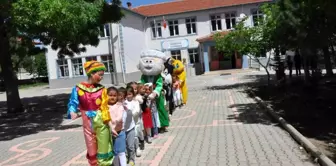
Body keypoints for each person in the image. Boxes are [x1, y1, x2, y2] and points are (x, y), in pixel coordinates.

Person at [67, 60, 114, 166]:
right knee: (92, 151)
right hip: (87, 125)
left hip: (101, 124)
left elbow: (105, 108)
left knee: (104, 150)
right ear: (92, 74)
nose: (102, 77)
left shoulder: (102, 90)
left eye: (102, 75)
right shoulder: (78, 88)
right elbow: (73, 102)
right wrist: (72, 111)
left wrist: (109, 124)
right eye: (100, 75)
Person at [138, 49, 169, 133]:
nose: (148, 63)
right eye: (146, 61)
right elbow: (141, 83)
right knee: (148, 110)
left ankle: (163, 125)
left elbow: (159, 85)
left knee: (160, 108)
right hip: (147, 94)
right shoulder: (143, 75)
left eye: (151, 61)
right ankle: (151, 126)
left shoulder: (158, 75)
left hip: (157, 95)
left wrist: (155, 92)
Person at [107, 87, 127, 166]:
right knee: (114, 152)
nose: (112, 97)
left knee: (121, 151)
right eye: (110, 95)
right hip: (109, 133)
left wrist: (112, 123)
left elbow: (119, 117)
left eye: (114, 95)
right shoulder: (105, 107)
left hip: (120, 132)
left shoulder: (119, 105)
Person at [119, 87, 136, 166]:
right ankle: (125, 158)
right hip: (121, 130)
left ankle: (132, 160)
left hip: (130, 128)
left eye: (122, 95)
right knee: (124, 147)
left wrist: (124, 107)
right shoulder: (116, 105)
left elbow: (130, 114)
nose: (121, 97)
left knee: (130, 146)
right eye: (119, 95)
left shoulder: (128, 103)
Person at [135, 84, 146, 153]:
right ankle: (137, 147)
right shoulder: (128, 98)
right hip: (132, 120)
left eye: (135, 89)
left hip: (138, 117)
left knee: (140, 130)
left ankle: (142, 140)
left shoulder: (136, 98)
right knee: (135, 133)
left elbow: (141, 101)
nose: (134, 90)